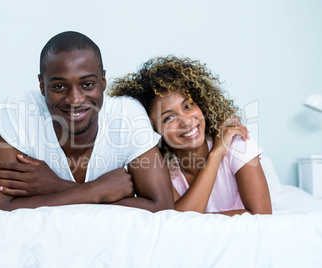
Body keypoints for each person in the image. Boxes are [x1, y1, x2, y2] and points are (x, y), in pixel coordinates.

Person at [0, 31, 174, 212]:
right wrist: (95, 191)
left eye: (87, 84)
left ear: (103, 80)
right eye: (59, 86)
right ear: (42, 86)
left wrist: (57, 187)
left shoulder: (126, 114)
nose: (75, 100)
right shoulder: (22, 110)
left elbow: (162, 206)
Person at [109, 56, 272, 216]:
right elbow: (178, 222)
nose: (186, 122)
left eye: (188, 106)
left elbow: (262, 216)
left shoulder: (236, 141)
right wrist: (215, 155)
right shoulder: (160, 168)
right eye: (169, 118)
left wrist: (195, 217)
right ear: (153, 131)